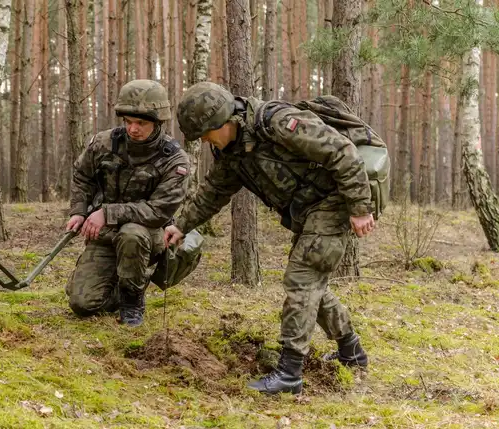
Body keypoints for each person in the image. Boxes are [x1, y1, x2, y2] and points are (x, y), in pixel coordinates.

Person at [165, 81, 373, 394]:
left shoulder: (277, 123)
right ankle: (351, 352)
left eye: (207, 133)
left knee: (302, 280)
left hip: (335, 202)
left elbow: (342, 151)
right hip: (309, 208)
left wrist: (359, 207)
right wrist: (182, 225)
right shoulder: (231, 150)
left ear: (226, 121)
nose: (207, 141)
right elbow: (214, 191)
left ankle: (290, 373)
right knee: (311, 285)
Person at [65, 79, 190, 327]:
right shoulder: (103, 143)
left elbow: (157, 211)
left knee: (131, 233)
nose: (133, 129)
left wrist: (107, 213)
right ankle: (123, 285)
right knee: (82, 304)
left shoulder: (173, 160)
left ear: (157, 122)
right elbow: (82, 177)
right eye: (128, 122)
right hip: (107, 236)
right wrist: (79, 211)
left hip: (148, 236)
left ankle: (132, 301)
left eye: (141, 123)